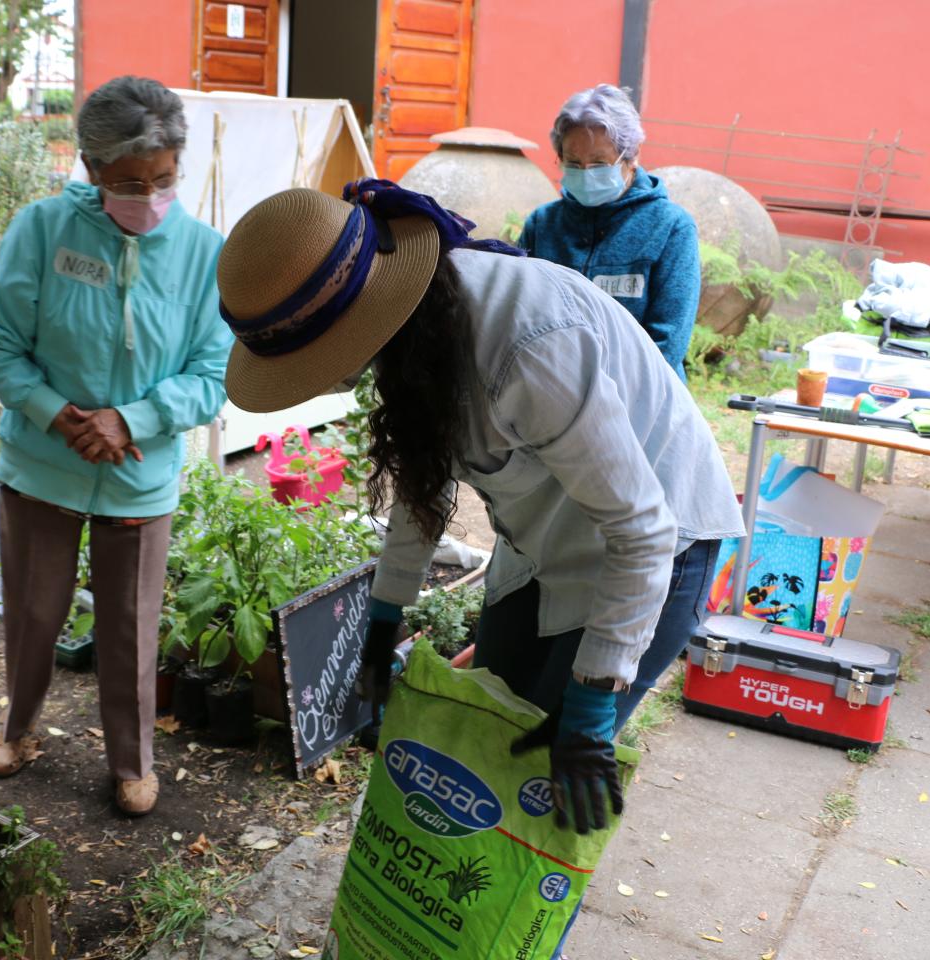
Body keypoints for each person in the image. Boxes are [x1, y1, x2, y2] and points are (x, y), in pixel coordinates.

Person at [215, 180, 743, 957]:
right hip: (542, 546)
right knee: (479, 756)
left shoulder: (532, 344)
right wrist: (383, 619)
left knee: (542, 798)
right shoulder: (417, 333)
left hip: (655, 548)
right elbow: (424, 485)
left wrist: (592, 702)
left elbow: (641, 530)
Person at [0, 76, 232, 816]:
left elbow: (213, 374)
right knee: (34, 614)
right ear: (89, 168)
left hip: (139, 474)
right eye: (127, 183)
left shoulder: (206, 252)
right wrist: (61, 416)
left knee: (128, 627)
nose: (147, 197)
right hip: (43, 467)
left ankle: (132, 761)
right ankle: (18, 728)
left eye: (164, 180)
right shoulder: (44, 231)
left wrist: (133, 419)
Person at [520, 83, 701, 380]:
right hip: (555, 395)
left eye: (600, 164)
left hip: (645, 396)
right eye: (574, 164)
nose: (587, 173)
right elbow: (522, 315)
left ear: (632, 157)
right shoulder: (542, 225)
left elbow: (668, 342)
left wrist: (605, 401)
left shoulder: (670, 228)